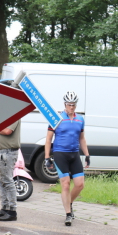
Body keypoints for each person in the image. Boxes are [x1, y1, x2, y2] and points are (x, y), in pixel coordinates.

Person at [44, 91, 90, 226]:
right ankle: (68, 214)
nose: (72, 107)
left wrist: (87, 154)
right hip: (60, 154)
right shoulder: (56, 118)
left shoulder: (80, 119)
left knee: (80, 184)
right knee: (65, 184)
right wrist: (47, 157)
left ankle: (69, 202)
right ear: (65, 104)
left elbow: (82, 138)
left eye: (74, 105)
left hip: (74, 154)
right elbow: (48, 139)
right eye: (70, 105)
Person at [0, 119, 21, 222]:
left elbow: (7, 131)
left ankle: (12, 211)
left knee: (7, 180)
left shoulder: (15, 115)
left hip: (6, 153)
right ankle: (5, 208)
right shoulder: (3, 115)